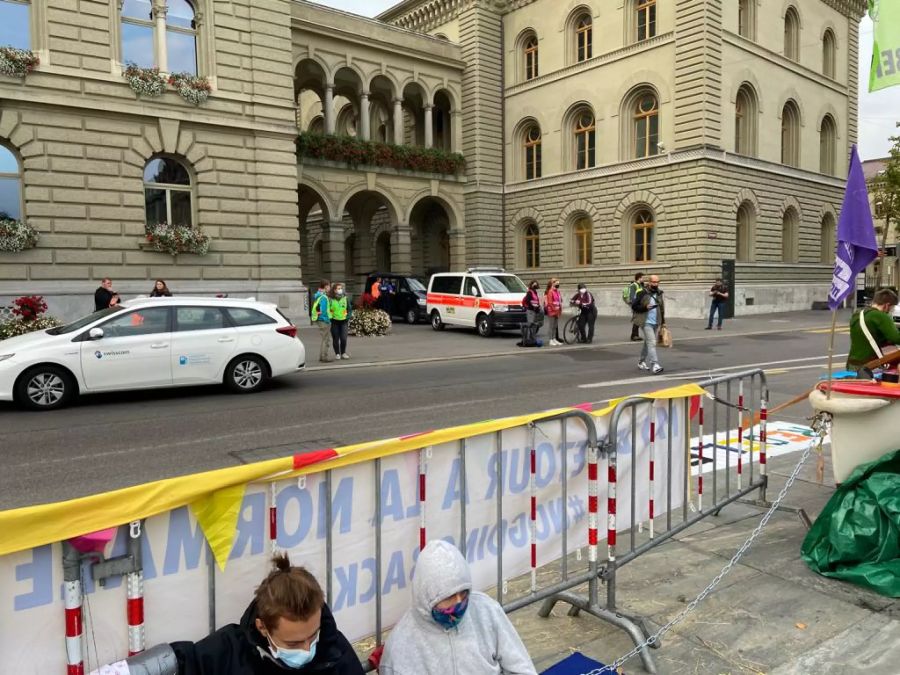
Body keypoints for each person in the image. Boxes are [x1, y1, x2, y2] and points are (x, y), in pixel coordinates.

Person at [90, 553, 364, 675]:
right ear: (262, 627)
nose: (307, 649)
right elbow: (177, 661)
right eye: (293, 644)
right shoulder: (229, 651)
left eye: (312, 636)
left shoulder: (335, 652)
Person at [379, 540, 537, 675]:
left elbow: (522, 668)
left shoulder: (486, 610)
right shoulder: (401, 647)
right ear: (426, 597)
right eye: (448, 597)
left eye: (463, 593)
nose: (459, 602)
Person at [847, 288, 900, 373]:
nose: (890, 311)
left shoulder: (857, 314)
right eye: (892, 308)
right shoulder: (881, 316)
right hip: (870, 366)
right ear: (886, 305)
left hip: (852, 364)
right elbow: (897, 338)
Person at [633, 274, 665, 374]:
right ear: (649, 282)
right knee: (652, 342)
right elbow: (634, 306)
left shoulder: (659, 293)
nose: (656, 284)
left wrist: (663, 322)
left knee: (648, 342)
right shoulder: (642, 292)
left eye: (657, 282)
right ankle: (655, 364)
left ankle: (641, 361)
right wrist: (645, 308)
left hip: (656, 321)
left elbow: (662, 308)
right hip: (645, 321)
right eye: (654, 282)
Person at [310, 280, 333, 363]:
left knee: (324, 338)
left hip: (319, 319)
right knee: (326, 339)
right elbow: (323, 311)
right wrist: (327, 320)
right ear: (326, 286)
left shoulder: (319, 295)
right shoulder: (323, 297)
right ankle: (324, 357)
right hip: (323, 320)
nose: (330, 288)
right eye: (329, 286)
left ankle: (321, 356)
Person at [328, 282, 351, 360]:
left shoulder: (345, 298)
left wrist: (348, 317)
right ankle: (337, 353)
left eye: (341, 288)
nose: (340, 290)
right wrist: (330, 318)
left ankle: (343, 353)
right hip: (334, 322)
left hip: (344, 321)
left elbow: (349, 309)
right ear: (334, 290)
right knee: (336, 339)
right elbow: (328, 310)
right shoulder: (330, 299)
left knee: (344, 338)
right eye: (338, 288)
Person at [519, 279, 543, 347]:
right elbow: (528, 301)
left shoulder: (535, 292)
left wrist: (537, 307)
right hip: (530, 311)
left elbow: (536, 301)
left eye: (536, 284)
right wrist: (533, 306)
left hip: (535, 311)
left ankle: (533, 339)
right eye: (534, 284)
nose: (535, 285)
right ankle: (530, 340)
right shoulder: (529, 292)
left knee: (534, 326)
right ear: (531, 285)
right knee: (531, 325)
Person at [543, 278, 563, 346]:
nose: (558, 284)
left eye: (558, 283)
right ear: (553, 284)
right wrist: (554, 309)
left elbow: (560, 300)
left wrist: (559, 309)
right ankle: (550, 340)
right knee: (551, 326)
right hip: (552, 311)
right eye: (556, 283)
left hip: (557, 310)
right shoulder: (550, 291)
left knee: (555, 326)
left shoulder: (557, 291)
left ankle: (554, 338)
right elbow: (550, 302)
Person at [625, 273, 644, 341]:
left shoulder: (640, 285)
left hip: (639, 304)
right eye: (642, 278)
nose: (643, 279)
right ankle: (634, 335)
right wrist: (634, 305)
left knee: (638, 319)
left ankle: (636, 335)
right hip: (636, 305)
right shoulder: (634, 285)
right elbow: (632, 296)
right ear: (639, 278)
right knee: (636, 319)